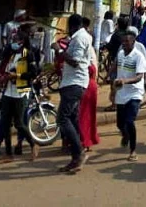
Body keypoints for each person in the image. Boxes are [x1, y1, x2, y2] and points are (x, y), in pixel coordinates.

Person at [0, 23, 41, 162]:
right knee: (5, 122)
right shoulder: (12, 55)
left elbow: (33, 74)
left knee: (19, 123)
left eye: (16, 40)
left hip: (21, 92)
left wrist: (16, 76)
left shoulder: (27, 54)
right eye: (13, 39)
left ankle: (33, 144)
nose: (13, 42)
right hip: (8, 92)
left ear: (22, 42)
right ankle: (8, 153)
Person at [57, 13, 92, 173]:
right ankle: (76, 156)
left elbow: (75, 62)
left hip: (74, 83)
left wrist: (59, 50)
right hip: (73, 82)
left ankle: (79, 153)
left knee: (62, 118)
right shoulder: (80, 37)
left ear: (72, 26)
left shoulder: (79, 38)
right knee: (72, 118)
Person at [113, 28, 146, 162]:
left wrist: (125, 81)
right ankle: (125, 135)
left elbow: (140, 76)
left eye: (127, 42)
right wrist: (112, 85)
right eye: (123, 42)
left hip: (134, 92)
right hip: (121, 92)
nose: (125, 44)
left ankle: (133, 150)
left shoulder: (138, 56)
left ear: (133, 42)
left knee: (129, 121)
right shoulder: (121, 54)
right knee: (120, 124)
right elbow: (115, 66)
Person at [78, 40, 100, 155]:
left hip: (84, 87)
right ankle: (88, 140)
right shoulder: (91, 51)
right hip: (91, 86)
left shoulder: (79, 56)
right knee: (89, 115)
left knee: (82, 116)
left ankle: (84, 141)